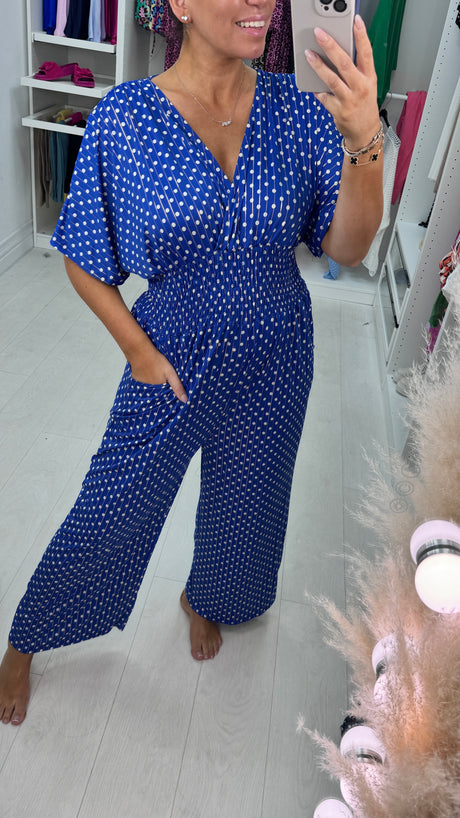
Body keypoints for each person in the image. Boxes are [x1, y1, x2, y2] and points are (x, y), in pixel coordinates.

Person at [0, 0, 383, 726]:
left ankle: (208, 599)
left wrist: (366, 141)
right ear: (177, 3)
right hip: (172, 349)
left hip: (277, 346)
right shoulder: (126, 119)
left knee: (250, 501)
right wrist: (139, 353)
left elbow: (348, 248)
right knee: (113, 503)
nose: (260, 3)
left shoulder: (300, 110)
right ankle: (28, 638)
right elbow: (83, 253)